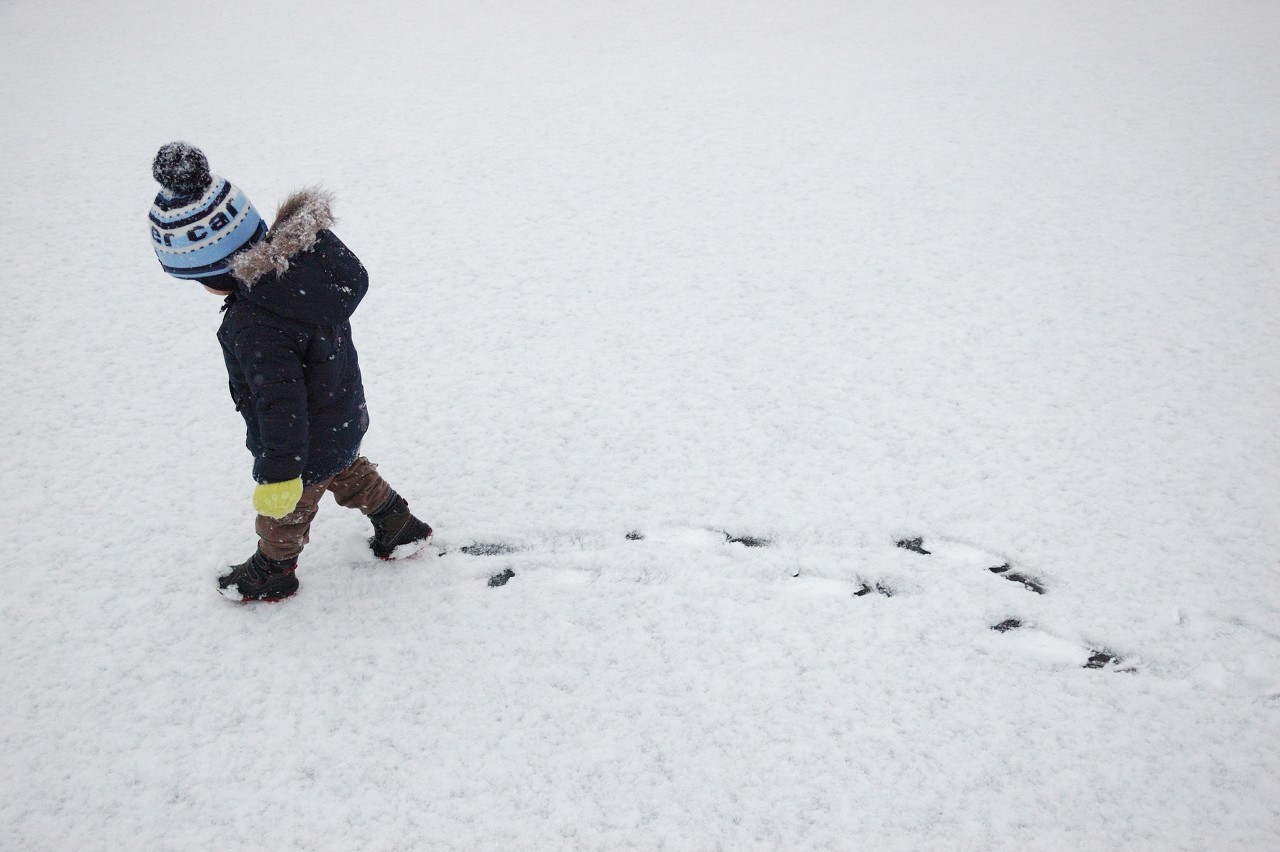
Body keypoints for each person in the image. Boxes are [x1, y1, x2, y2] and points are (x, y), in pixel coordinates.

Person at [148, 142, 433, 602]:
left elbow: (279, 404)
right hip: (340, 412)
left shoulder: (256, 324)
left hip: (298, 446)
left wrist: (279, 473)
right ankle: (399, 526)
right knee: (347, 470)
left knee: (285, 512)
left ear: (216, 271)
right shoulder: (302, 276)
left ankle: (274, 570)